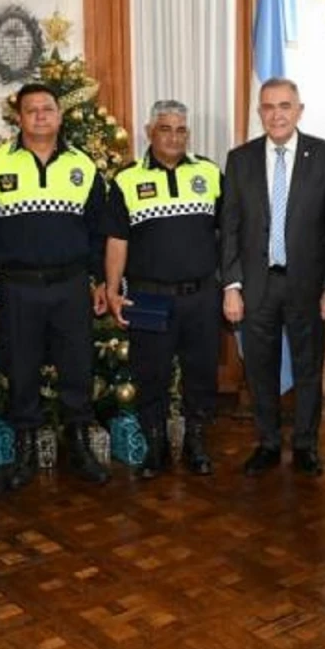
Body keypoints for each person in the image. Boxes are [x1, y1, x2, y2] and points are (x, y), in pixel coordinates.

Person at [0, 83, 109, 490]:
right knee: (21, 368)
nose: (41, 115)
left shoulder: (83, 165)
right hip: (17, 287)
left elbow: (100, 232)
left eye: (48, 109)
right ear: (19, 118)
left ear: (60, 116)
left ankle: (79, 446)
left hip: (71, 285)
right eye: (32, 110)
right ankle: (24, 450)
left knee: (77, 368)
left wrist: (101, 280)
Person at [221, 78, 325, 476]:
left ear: (299, 110)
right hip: (256, 285)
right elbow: (230, 228)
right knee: (260, 370)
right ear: (259, 112)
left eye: (285, 106)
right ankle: (268, 443)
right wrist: (231, 285)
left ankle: (306, 445)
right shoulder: (239, 160)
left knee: (308, 368)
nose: (276, 114)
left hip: (308, 285)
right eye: (268, 107)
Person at [105, 100, 223, 476]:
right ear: (149, 132)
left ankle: (196, 443)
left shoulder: (210, 172)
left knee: (201, 374)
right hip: (148, 296)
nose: (174, 137)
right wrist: (112, 290)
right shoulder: (126, 180)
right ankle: (154, 447)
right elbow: (117, 241)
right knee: (150, 375)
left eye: (180, 130)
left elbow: (228, 233)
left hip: (201, 296)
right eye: (165, 129)